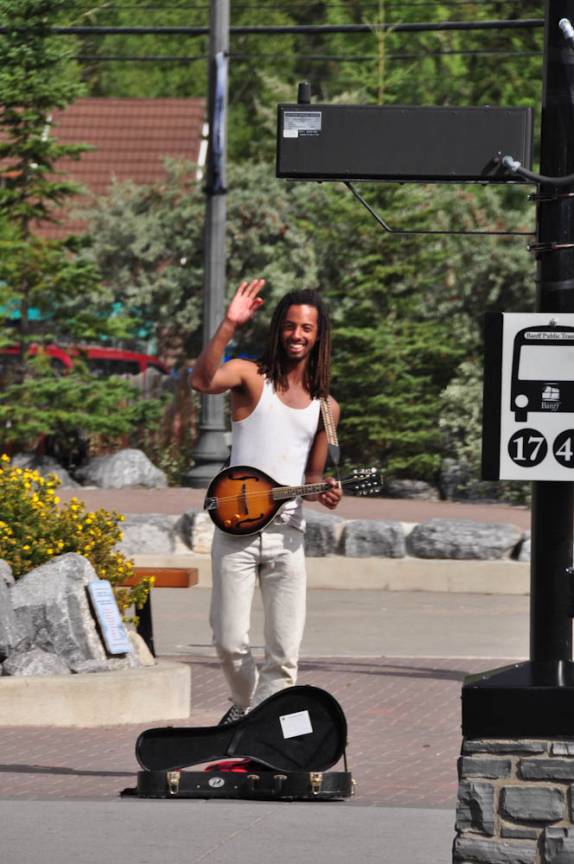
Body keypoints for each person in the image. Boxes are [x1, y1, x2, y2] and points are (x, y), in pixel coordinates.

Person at [190, 278, 341, 724]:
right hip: (236, 530)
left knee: (284, 654)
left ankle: (267, 734)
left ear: (318, 336)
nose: (298, 335)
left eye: (307, 329)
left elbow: (315, 476)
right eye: (290, 326)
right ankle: (250, 708)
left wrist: (328, 490)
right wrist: (229, 324)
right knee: (229, 640)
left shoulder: (327, 409)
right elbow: (201, 380)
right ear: (278, 328)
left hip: (288, 536)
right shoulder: (249, 376)